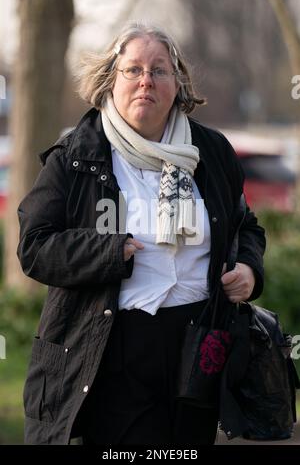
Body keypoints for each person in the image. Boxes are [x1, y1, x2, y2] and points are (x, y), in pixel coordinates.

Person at [17, 22, 266, 446]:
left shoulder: (211, 152)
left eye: (159, 70)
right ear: (111, 80)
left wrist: (248, 268)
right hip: (112, 348)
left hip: (198, 347)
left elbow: (245, 226)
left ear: (177, 83)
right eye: (133, 70)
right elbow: (35, 246)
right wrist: (108, 251)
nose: (146, 80)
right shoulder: (77, 156)